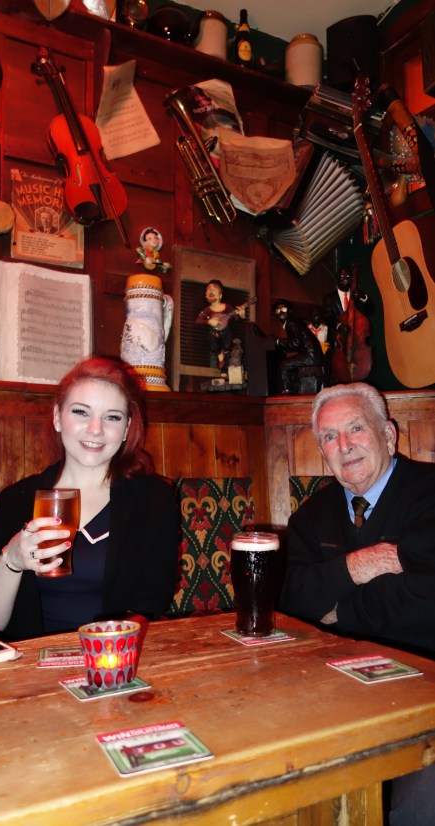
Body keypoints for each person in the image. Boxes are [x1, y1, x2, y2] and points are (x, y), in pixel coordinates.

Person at [280, 381, 435, 825]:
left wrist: (342, 611)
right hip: (334, 690)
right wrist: (362, 564)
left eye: (356, 429)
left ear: (388, 435)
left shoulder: (429, 492)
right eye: (330, 437)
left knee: (418, 807)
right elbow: (291, 599)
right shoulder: (311, 516)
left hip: (424, 686)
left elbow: (426, 598)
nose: (344, 446)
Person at [0, 357, 179, 642]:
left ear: (127, 428)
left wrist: (105, 652)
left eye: (112, 417)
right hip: (29, 668)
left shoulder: (154, 499)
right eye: (81, 412)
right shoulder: (15, 500)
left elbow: (151, 603)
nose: (96, 429)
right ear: (57, 417)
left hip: (113, 658)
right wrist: (13, 560)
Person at [272, 298, 324, 395]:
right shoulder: (293, 322)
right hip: (312, 356)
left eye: (284, 310)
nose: (281, 313)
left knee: (284, 365)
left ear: (290, 311)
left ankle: (287, 391)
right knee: (287, 363)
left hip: (310, 357)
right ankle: (291, 389)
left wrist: (278, 341)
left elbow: (295, 343)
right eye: (278, 311)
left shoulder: (291, 323)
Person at [195, 279, 246, 374]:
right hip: (214, 343)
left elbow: (237, 320)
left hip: (227, 341)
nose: (211, 291)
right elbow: (198, 321)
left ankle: (224, 368)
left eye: (214, 289)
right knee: (213, 367)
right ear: (205, 295)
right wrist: (209, 321)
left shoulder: (228, 307)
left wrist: (242, 315)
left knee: (228, 364)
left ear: (220, 295)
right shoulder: (207, 310)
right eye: (209, 289)